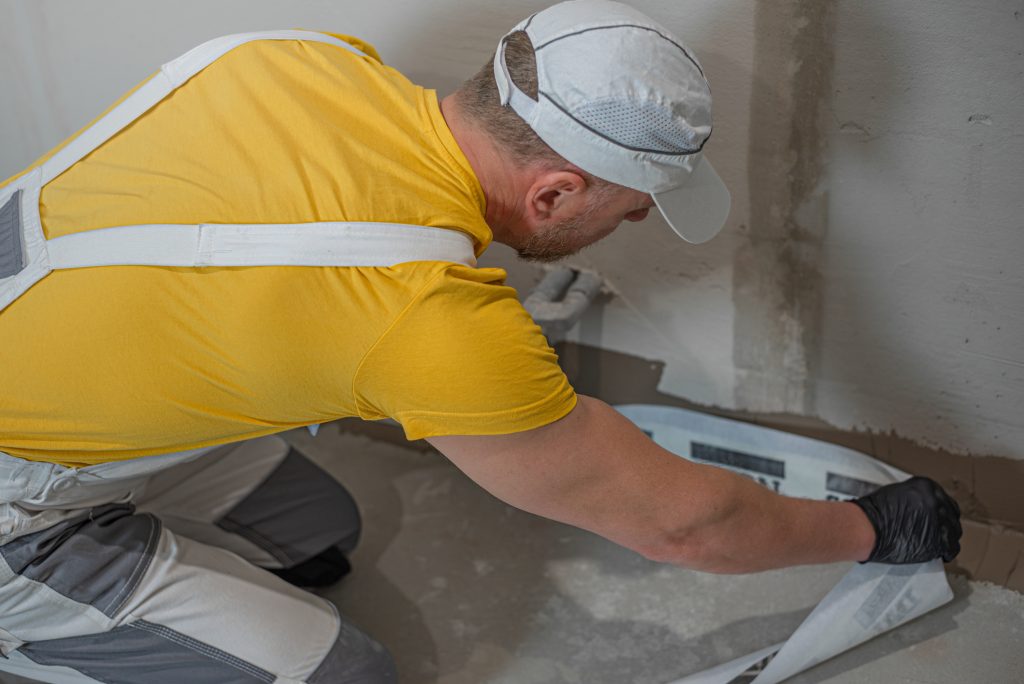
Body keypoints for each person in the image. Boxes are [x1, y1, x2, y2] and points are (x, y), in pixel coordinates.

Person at [0, 1, 961, 682]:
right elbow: (687, 526)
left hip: (49, 395)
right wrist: (874, 529)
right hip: (16, 498)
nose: (631, 231)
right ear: (553, 195)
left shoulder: (297, 58)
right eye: (630, 212)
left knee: (322, 539)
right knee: (344, 675)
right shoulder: (429, 321)